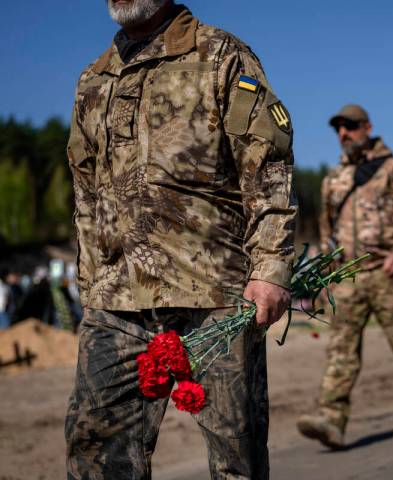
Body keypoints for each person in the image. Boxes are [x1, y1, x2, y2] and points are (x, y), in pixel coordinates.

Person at [65, 1, 297, 478]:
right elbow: (85, 192)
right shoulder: (94, 78)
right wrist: (90, 287)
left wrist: (270, 267)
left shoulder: (218, 54)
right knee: (94, 450)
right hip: (116, 299)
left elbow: (267, 163)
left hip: (214, 293)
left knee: (238, 458)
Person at [297, 104, 393, 448]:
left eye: (350, 127)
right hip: (348, 277)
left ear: (367, 127)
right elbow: (327, 232)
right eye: (338, 128)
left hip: (388, 274)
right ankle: (331, 420)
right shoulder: (333, 179)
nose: (343, 134)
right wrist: (326, 277)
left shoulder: (392, 169)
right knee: (341, 350)